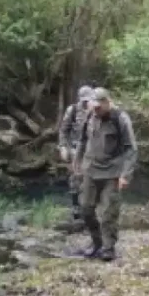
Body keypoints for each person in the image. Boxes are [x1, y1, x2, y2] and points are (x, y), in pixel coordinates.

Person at [73, 88, 138, 261]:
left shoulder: (120, 118)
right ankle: (97, 242)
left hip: (112, 172)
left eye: (98, 107)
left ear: (107, 102)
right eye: (93, 106)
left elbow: (131, 148)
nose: (95, 110)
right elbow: (82, 140)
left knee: (109, 211)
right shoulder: (90, 116)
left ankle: (109, 247)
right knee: (85, 209)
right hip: (91, 169)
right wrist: (77, 161)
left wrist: (126, 174)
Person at [58, 85, 95, 227]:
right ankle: (76, 209)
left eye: (89, 100)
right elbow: (63, 131)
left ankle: (91, 209)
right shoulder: (72, 110)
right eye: (85, 100)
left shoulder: (95, 110)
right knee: (75, 179)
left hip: (93, 150)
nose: (87, 103)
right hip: (76, 149)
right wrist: (63, 147)